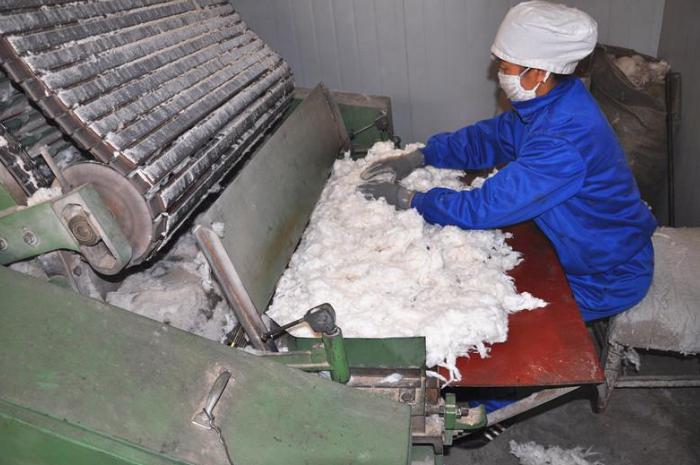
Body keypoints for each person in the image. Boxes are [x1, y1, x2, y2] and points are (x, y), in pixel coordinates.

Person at [359, 1, 657, 327]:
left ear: (540, 73)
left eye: (506, 67)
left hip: (605, 274)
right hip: (573, 248)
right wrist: (422, 155)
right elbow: (490, 139)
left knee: (501, 325)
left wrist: (410, 200)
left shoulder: (563, 141)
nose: (500, 74)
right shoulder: (550, 102)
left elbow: (484, 207)